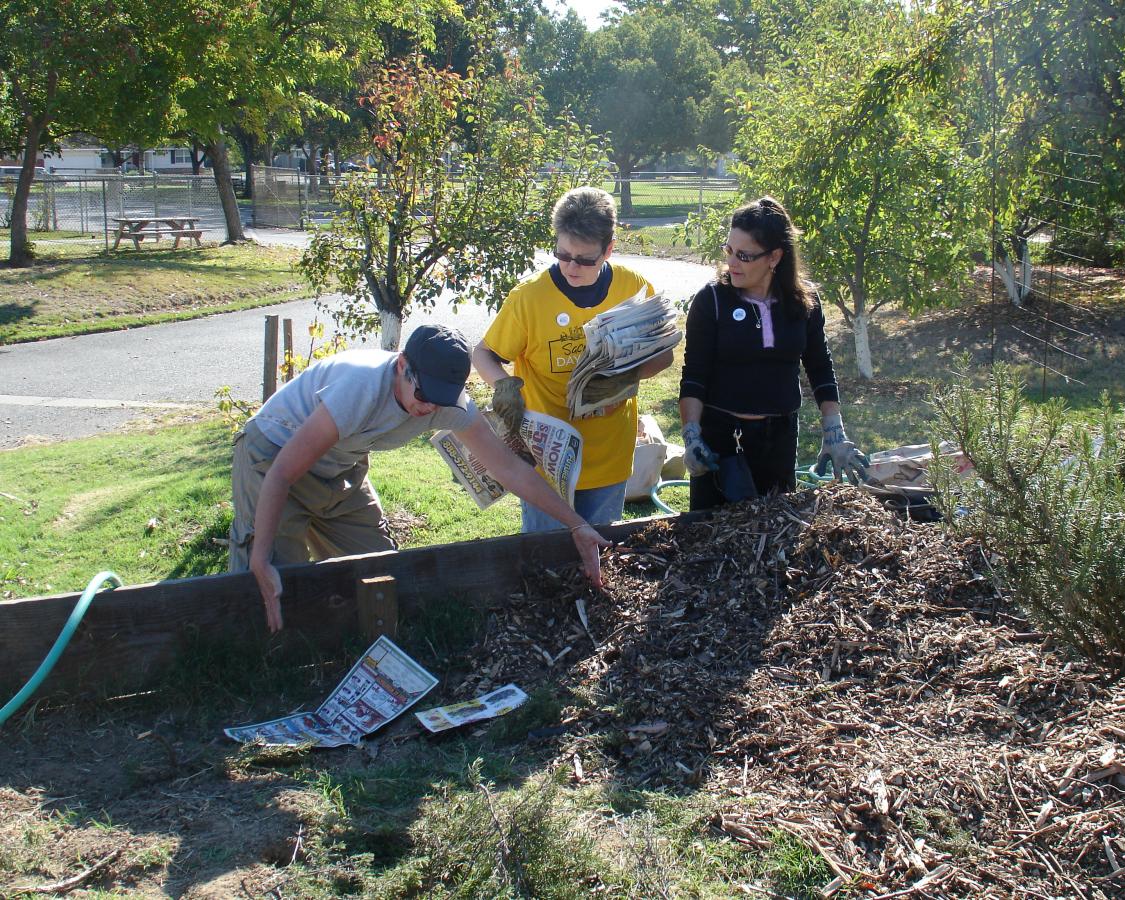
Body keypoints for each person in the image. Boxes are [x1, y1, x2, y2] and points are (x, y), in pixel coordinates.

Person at [229, 324, 610, 632]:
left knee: (382, 571)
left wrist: (576, 524)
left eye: (441, 400)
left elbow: (509, 468)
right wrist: (261, 556)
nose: (428, 408)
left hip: (341, 465)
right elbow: (282, 474)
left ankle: (359, 647)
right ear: (401, 365)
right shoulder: (359, 387)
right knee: (276, 582)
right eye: (423, 393)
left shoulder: (449, 405)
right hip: (274, 455)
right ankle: (270, 664)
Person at [471, 187, 674, 532]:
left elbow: (665, 355)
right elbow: (484, 354)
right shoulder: (529, 297)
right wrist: (502, 385)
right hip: (546, 461)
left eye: (584, 259)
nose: (570, 267)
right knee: (545, 561)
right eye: (562, 254)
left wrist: (626, 379)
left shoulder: (633, 288)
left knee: (599, 553)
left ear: (608, 249)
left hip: (609, 454)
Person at [678, 196, 868, 511]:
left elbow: (820, 367)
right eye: (728, 250)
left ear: (774, 257)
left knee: (773, 531)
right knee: (711, 537)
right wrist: (692, 436)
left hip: (778, 439)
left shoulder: (804, 302)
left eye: (744, 255)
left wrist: (834, 431)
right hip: (719, 443)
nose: (732, 262)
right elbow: (694, 377)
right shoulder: (711, 302)